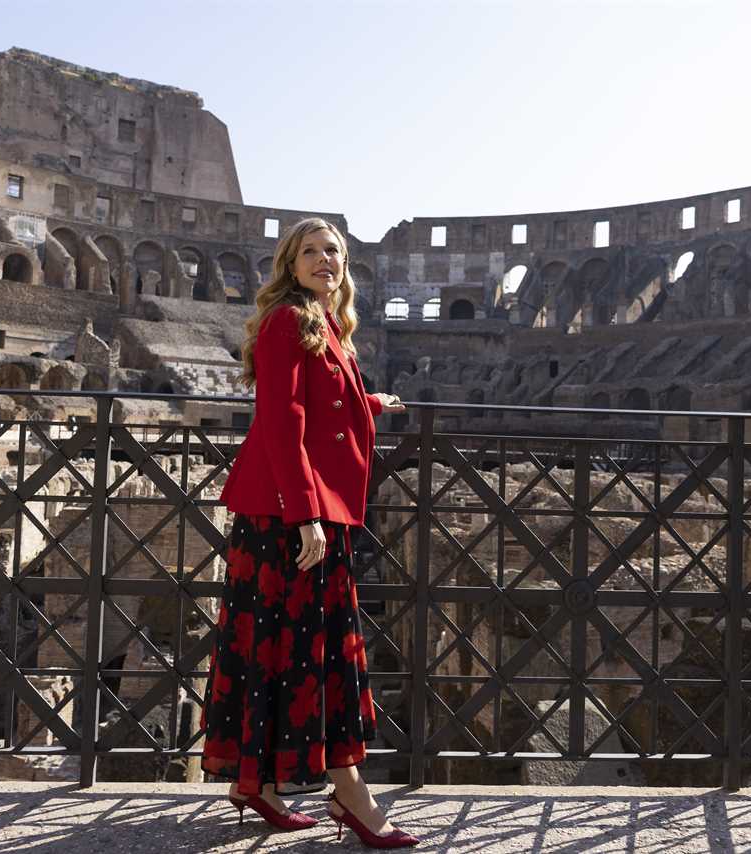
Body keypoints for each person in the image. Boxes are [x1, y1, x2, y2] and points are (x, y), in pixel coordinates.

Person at [201, 217, 418, 847]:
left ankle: (255, 784)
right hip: (290, 516)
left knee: (280, 648)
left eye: (335, 252)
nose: (326, 260)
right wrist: (305, 516)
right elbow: (281, 419)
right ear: (289, 264)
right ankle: (351, 794)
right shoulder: (286, 320)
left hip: (317, 509)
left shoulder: (330, 324)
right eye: (312, 252)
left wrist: (372, 403)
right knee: (317, 651)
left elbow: (324, 401)